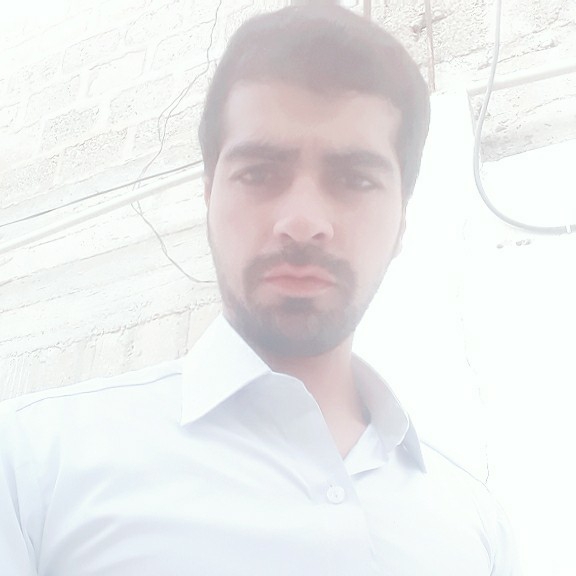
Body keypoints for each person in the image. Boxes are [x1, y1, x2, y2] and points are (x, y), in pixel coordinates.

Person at [0, 5, 520, 576]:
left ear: (401, 221)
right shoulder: (33, 466)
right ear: (208, 197)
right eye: (259, 173)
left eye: (354, 179)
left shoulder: (475, 527)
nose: (302, 221)